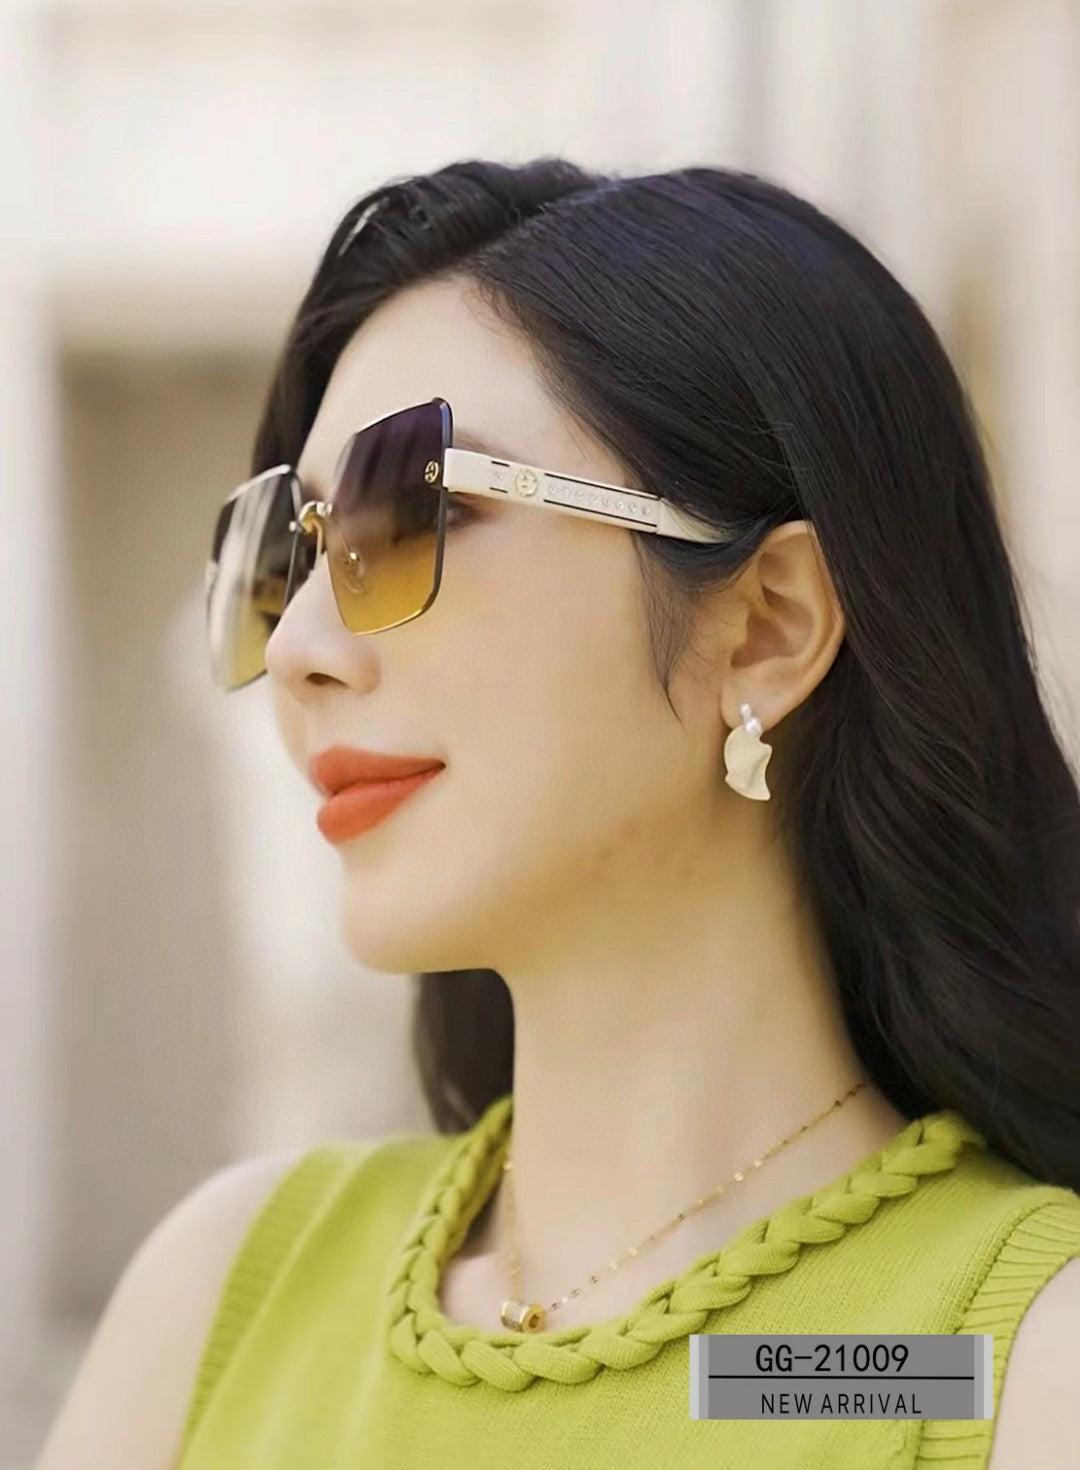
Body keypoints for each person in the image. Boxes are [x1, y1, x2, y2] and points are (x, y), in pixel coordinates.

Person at [36, 158, 1080, 1470]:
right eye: (292, 552)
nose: (297, 646)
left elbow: (754, 1385)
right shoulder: (222, 1298)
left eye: (415, 509)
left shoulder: (991, 1361)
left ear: (768, 626)